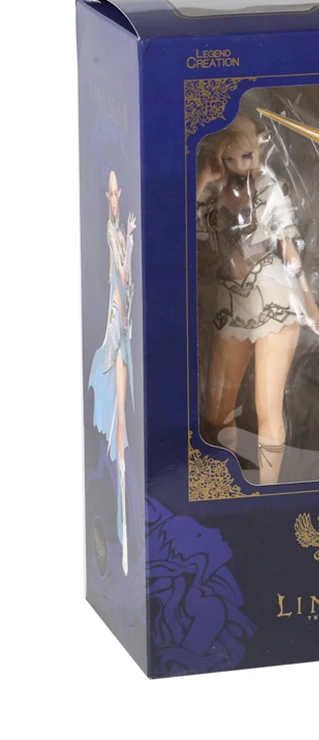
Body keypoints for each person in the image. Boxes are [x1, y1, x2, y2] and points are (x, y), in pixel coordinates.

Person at [197, 116, 319, 484]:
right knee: (217, 411)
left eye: (246, 156)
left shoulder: (269, 188)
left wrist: (309, 303)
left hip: (272, 297)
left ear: (259, 148)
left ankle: (269, 491)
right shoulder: (210, 192)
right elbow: (182, 232)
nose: (239, 166)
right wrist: (203, 179)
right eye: (229, 158)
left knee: (267, 408)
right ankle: (226, 483)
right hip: (230, 303)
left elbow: (290, 251)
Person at [89, 170, 136, 575]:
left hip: (123, 322)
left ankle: (121, 464)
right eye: (112, 194)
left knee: (124, 411)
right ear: (108, 197)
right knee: (120, 410)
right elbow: (118, 276)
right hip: (117, 324)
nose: (115, 198)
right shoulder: (110, 229)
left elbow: (122, 275)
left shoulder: (118, 231)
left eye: (117, 193)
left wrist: (130, 240)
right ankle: (122, 527)